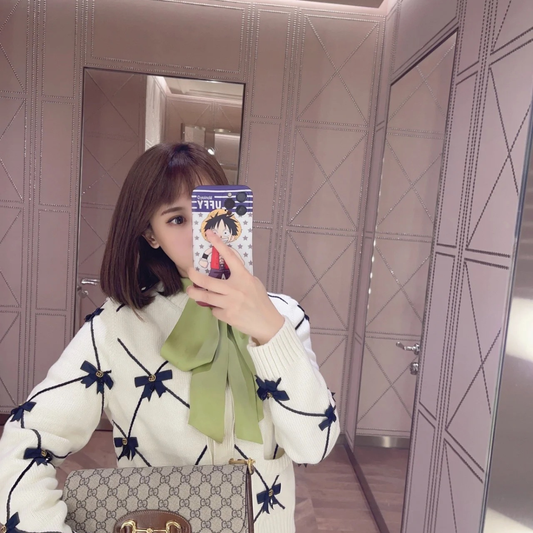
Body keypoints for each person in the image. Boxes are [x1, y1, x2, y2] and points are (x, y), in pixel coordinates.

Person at [0, 143, 340, 533]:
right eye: (178, 219)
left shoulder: (284, 317)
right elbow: (24, 444)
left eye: (210, 212)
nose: (203, 233)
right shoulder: (116, 328)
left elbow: (314, 446)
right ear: (151, 234)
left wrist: (269, 331)